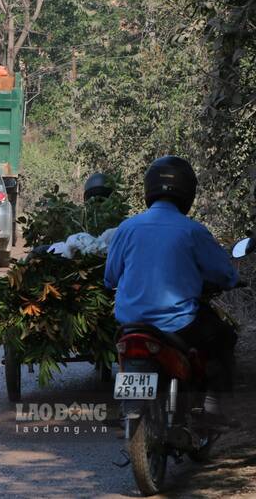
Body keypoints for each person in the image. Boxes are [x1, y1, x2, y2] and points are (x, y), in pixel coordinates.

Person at [104, 156, 240, 427]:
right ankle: (210, 407)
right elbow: (225, 274)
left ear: (149, 188)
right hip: (178, 324)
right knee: (224, 337)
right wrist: (230, 280)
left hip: (131, 323)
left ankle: (130, 406)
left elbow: (109, 278)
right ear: (188, 191)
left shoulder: (127, 228)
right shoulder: (193, 231)